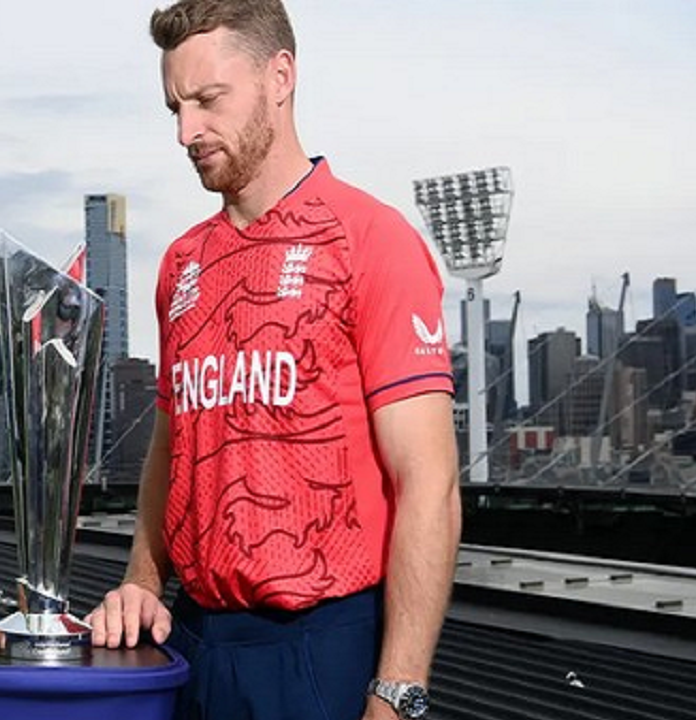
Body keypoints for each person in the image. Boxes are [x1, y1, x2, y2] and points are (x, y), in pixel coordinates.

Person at [87, 2, 461, 719]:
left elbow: (430, 485)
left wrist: (399, 691)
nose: (185, 132)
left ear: (279, 77)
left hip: (321, 645)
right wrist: (141, 577)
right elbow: (173, 446)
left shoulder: (369, 239)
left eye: (207, 101)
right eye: (174, 107)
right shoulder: (182, 262)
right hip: (192, 637)